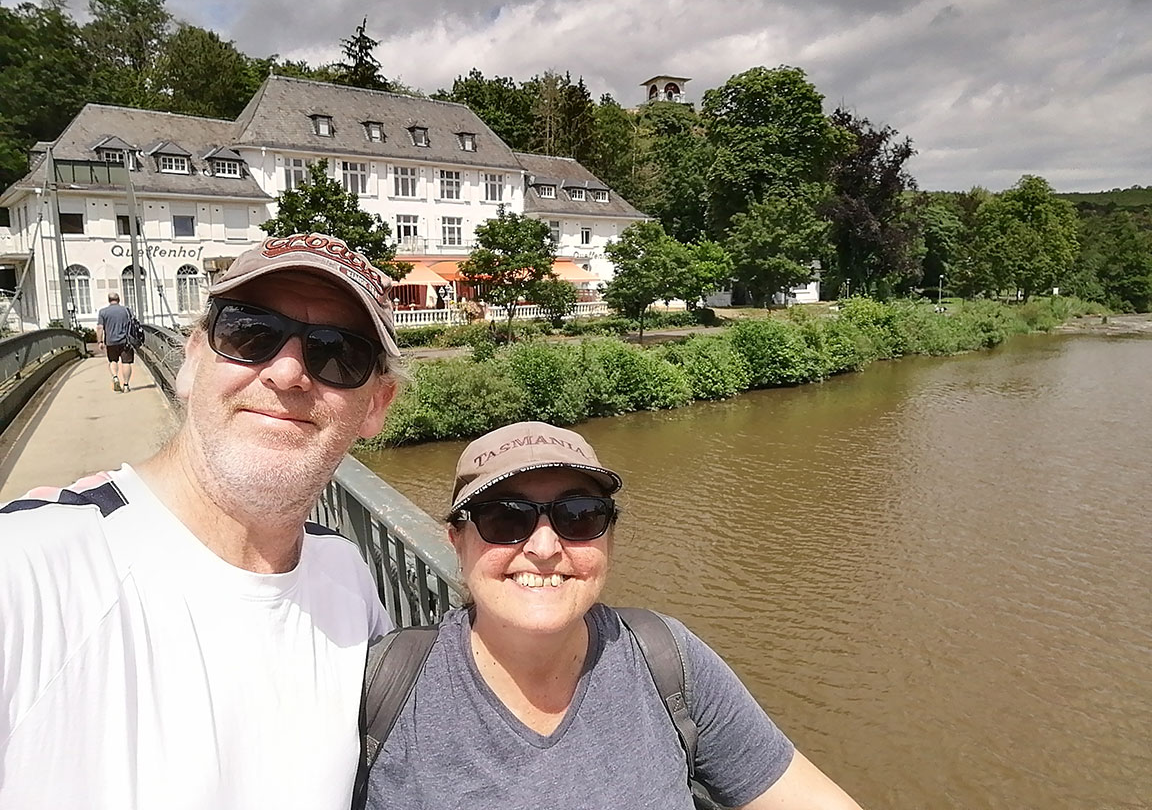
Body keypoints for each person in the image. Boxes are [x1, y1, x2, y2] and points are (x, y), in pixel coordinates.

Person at [0, 234, 402, 808]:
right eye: (250, 332)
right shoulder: (24, 572)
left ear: (376, 406)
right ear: (191, 360)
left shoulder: (347, 577)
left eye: (338, 353)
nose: (287, 372)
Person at [364, 421, 865, 810]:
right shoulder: (376, 688)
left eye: (579, 516)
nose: (544, 548)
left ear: (609, 537)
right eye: (505, 518)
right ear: (457, 540)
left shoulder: (666, 660)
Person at [96, 291, 135, 392]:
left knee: (113, 361)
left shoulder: (103, 312)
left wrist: (100, 341)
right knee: (126, 362)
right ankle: (126, 385)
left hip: (110, 342)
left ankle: (115, 377)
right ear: (119, 300)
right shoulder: (126, 310)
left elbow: (100, 327)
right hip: (125, 341)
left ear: (109, 300)